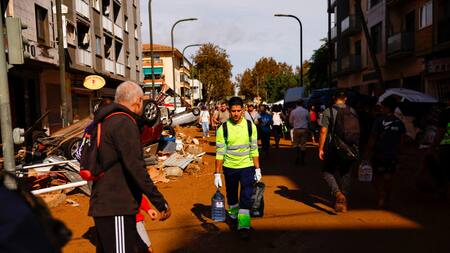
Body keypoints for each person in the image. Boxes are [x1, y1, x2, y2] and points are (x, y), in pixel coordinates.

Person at [89, 81, 171, 253]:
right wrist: (159, 201)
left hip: (106, 204)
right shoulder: (124, 122)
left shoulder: (105, 120)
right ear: (138, 101)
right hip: (116, 207)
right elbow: (136, 168)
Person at [214, 97, 261, 239]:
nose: (235, 114)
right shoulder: (223, 129)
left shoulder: (250, 126)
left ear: (243, 110)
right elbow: (220, 152)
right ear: (229, 110)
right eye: (233, 111)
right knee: (232, 195)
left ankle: (244, 225)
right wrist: (217, 173)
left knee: (246, 197)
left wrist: (257, 168)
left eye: (238, 111)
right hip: (230, 168)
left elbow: (254, 148)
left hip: (247, 167)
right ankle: (233, 217)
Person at [318, 91, 359, 213]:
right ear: (345, 98)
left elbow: (323, 131)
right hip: (350, 147)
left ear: (333, 98)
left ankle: (337, 193)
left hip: (333, 147)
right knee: (346, 173)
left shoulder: (328, 111)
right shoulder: (353, 111)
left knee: (327, 171)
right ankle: (344, 199)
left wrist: (320, 148)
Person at [366, 96, 406, 209]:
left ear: (387, 108)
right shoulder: (399, 123)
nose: (381, 109)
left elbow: (372, 138)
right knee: (388, 177)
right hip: (392, 154)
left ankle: (381, 195)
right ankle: (386, 196)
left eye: (382, 107)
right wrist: (399, 152)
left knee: (375, 177)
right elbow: (401, 140)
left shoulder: (379, 121)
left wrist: (368, 151)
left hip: (379, 153)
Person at [289, 99, 309, 165]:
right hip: (304, 130)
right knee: (303, 145)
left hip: (296, 129)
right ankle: (302, 160)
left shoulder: (293, 111)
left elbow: (290, 122)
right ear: (302, 104)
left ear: (296, 104)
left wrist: (294, 125)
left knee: (295, 145)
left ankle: (297, 159)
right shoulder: (306, 111)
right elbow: (309, 121)